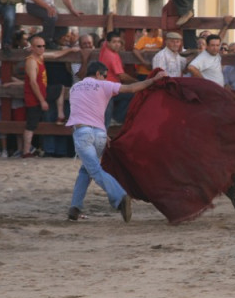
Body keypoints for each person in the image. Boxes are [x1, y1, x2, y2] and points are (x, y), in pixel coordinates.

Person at [66, 61, 167, 222]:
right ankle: (75, 207)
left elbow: (81, 109)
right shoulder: (104, 85)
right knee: (87, 170)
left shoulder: (74, 88)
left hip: (83, 132)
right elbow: (132, 88)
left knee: (94, 170)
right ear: (98, 74)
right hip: (100, 134)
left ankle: (120, 197)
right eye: (104, 75)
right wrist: (153, 80)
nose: (106, 78)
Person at [21, 35, 78, 158]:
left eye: (43, 46)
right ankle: (26, 152)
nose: (42, 48)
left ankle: (60, 115)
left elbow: (55, 55)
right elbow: (32, 82)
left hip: (42, 93)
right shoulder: (31, 61)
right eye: (38, 46)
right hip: (34, 97)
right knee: (31, 124)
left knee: (60, 88)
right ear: (32, 47)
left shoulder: (40, 57)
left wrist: (70, 50)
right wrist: (42, 101)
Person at [98, 30, 138, 127]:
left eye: (119, 42)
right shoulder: (111, 56)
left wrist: (111, 17)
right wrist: (138, 82)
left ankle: (115, 117)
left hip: (105, 88)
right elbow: (122, 76)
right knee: (136, 93)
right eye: (114, 42)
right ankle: (117, 118)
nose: (117, 44)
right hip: (111, 88)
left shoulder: (105, 48)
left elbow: (109, 32)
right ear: (108, 43)